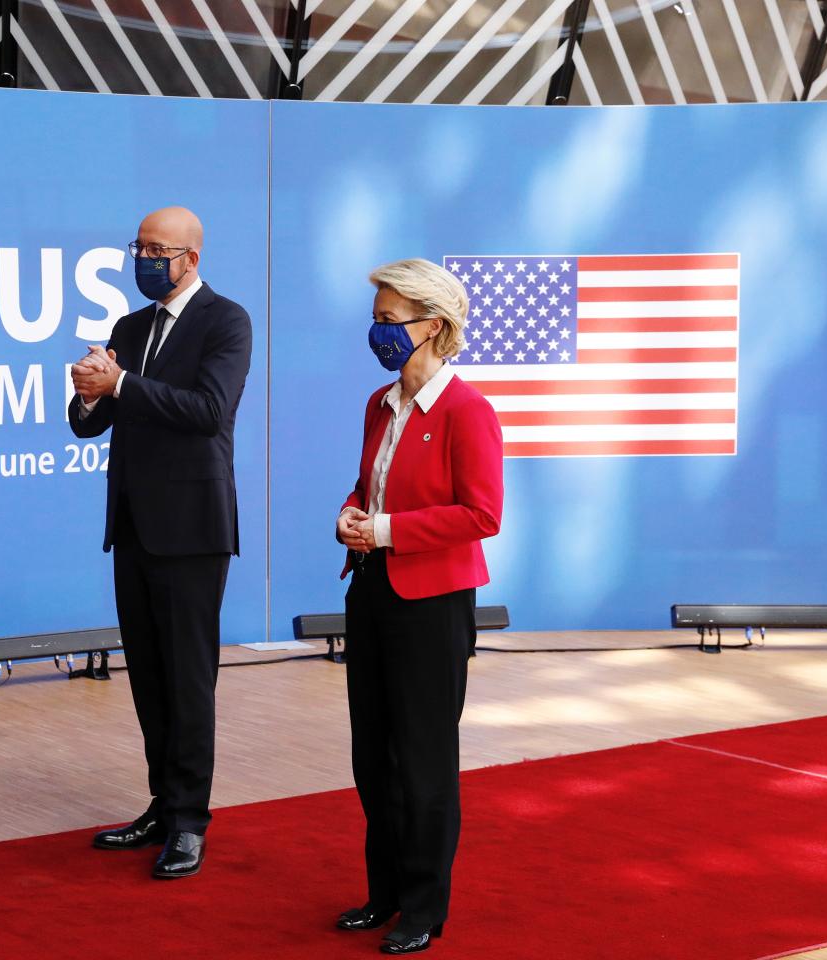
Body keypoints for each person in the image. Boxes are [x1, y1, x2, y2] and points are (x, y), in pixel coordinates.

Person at [68, 206, 252, 879]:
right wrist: (91, 393)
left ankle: (189, 821)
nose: (143, 258)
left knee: (187, 678)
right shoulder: (130, 326)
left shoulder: (225, 321)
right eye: (137, 246)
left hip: (194, 528)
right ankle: (160, 803)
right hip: (135, 525)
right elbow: (93, 424)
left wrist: (123, 385)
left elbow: (208, 412)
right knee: (148, 675)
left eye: (156, 249)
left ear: (191, 258)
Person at [333, 259, 502, 954]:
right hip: (372, 590)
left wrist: (387, 531)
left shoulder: (468, 410)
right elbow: (368, 486)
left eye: (390, 320)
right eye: (375, 320)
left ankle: (425, 908)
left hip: (432, 604)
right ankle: (385, 893)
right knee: (372, 755)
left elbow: (482, 513)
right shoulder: (380, 405)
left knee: (423, 759)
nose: (379, 332)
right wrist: (352, 515)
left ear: (433, 325)